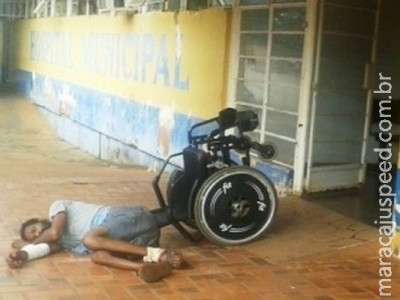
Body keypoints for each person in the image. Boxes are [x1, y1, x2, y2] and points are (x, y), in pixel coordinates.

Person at [6, 200, 183, 283]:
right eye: (34, 236)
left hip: (133, 218)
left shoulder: (57, 207)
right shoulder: (63, 242)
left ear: (40, 220)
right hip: (139, 240)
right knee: (97, 256)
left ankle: (158, 254)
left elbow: (53, 233)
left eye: (34, 229)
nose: (38, 233)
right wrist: (22, 254)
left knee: (89, 240)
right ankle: (150, 268)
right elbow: (43, 246)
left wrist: (30, 243)